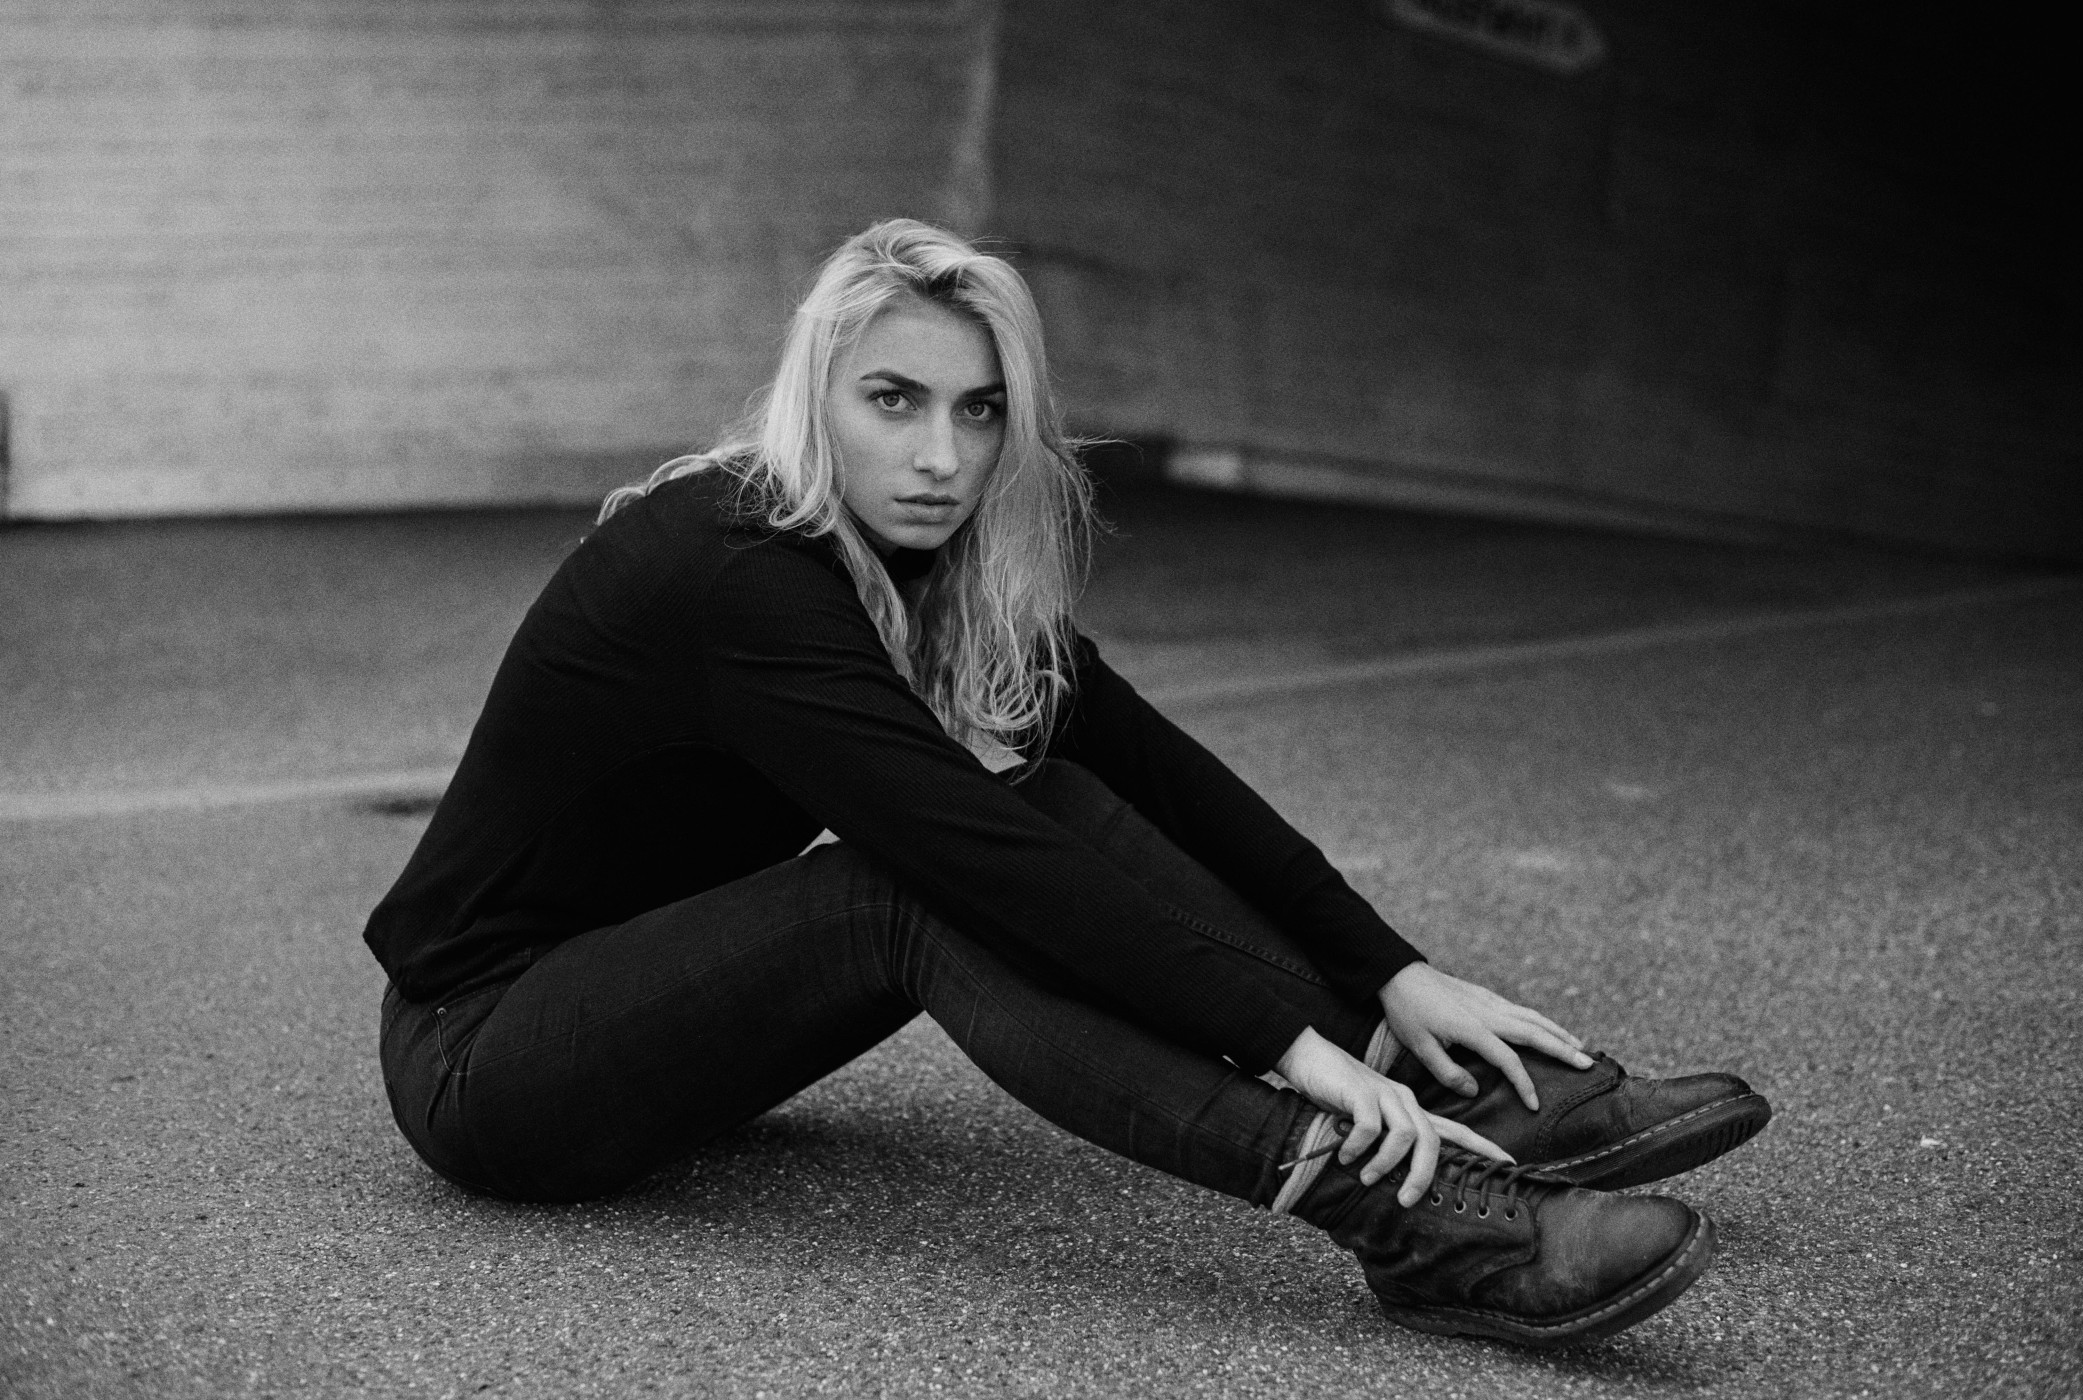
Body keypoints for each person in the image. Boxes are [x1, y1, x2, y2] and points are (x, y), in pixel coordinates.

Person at [365, 218, 1771, 1347]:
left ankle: (1460, 1099)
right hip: (489, 1056)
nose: (941, 457)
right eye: (893, 401)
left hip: (655, 994)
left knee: (1049, 794)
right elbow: (970, 857)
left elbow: (1152, 769)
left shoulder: (926, 565)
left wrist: (1389, 979)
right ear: (817, 399)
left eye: (979, 411)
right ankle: (1413, 1220)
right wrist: (1293, 1047)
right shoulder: (731, 569)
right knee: (904, 890)